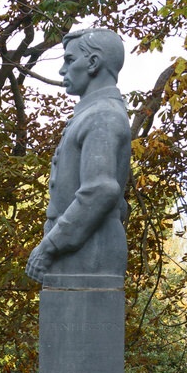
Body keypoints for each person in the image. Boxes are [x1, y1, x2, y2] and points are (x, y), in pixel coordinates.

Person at [26, 28, 132, 289]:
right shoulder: (94, 113)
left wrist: (50, 246)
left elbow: (101, 190)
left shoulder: (101, 115)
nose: (63, 70)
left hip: (89, 257)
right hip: (81, 255)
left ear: (93, 63)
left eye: (70, 60)